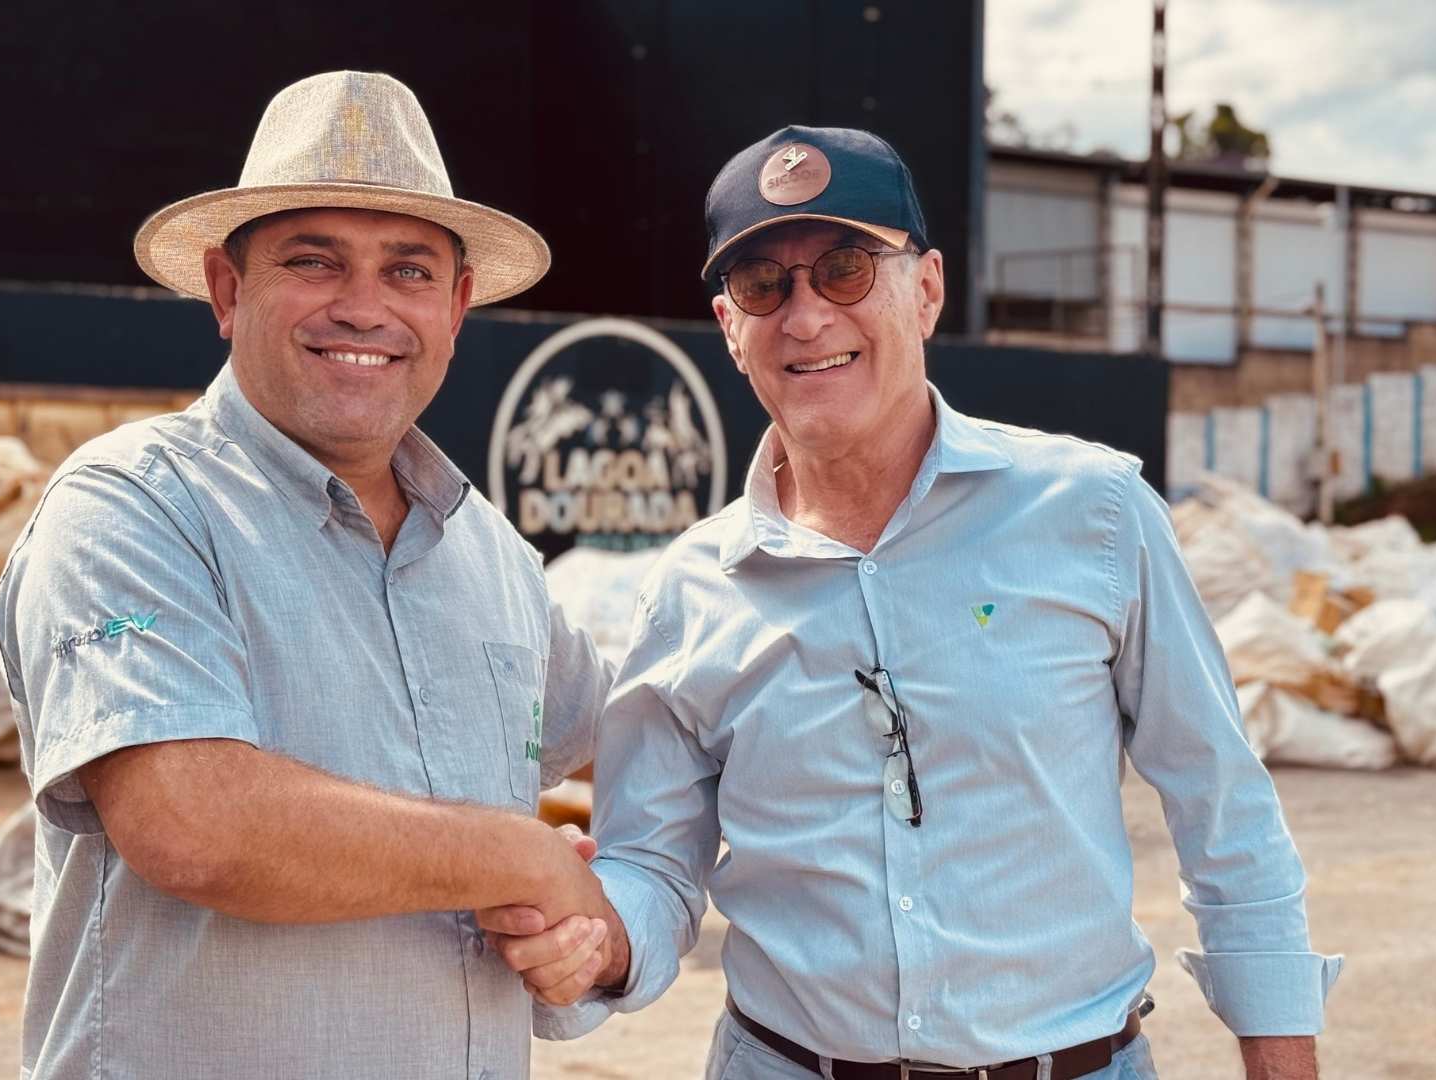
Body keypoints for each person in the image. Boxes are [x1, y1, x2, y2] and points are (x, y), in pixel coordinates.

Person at [484, 126, 1341, 1079]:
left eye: (845, 269)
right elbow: (651, 863)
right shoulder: (691, 590)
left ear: (926, 290)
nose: (806, 315)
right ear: (730, 327)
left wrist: (1280, 1052)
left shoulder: (1093, 513)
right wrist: (598, 942)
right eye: (764, 285)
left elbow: (1222, 803)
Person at [0, 71, 621, 1079]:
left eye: (409, 271)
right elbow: (194, 823)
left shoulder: (492, 555)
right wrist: (518, 857)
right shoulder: (132, 509)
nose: (365, 308)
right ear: (227, 290)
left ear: (457, 305)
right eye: (314, 261)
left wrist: (599, 932)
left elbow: (638, 743)